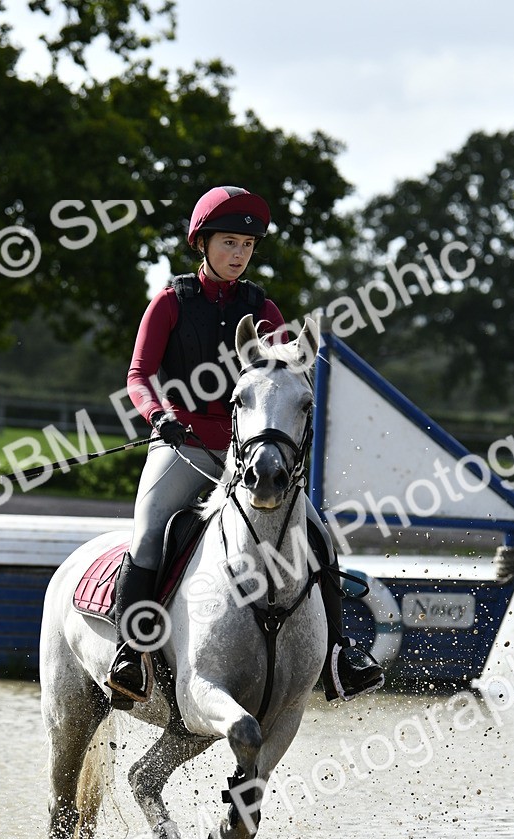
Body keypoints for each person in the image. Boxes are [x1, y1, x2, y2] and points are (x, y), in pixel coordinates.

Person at [107, 184, 384, 704]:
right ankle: (130, 654)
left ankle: (339, 656)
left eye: (247, 246)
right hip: (184, 444)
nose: (239, 254)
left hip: (249, 453)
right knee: (147, 534)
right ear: (203, 243)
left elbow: (282, 379)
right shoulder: (169, 303)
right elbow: (138, 375)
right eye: (229, 243)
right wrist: (158, 416)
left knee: (319, 537)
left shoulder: (264, 309)